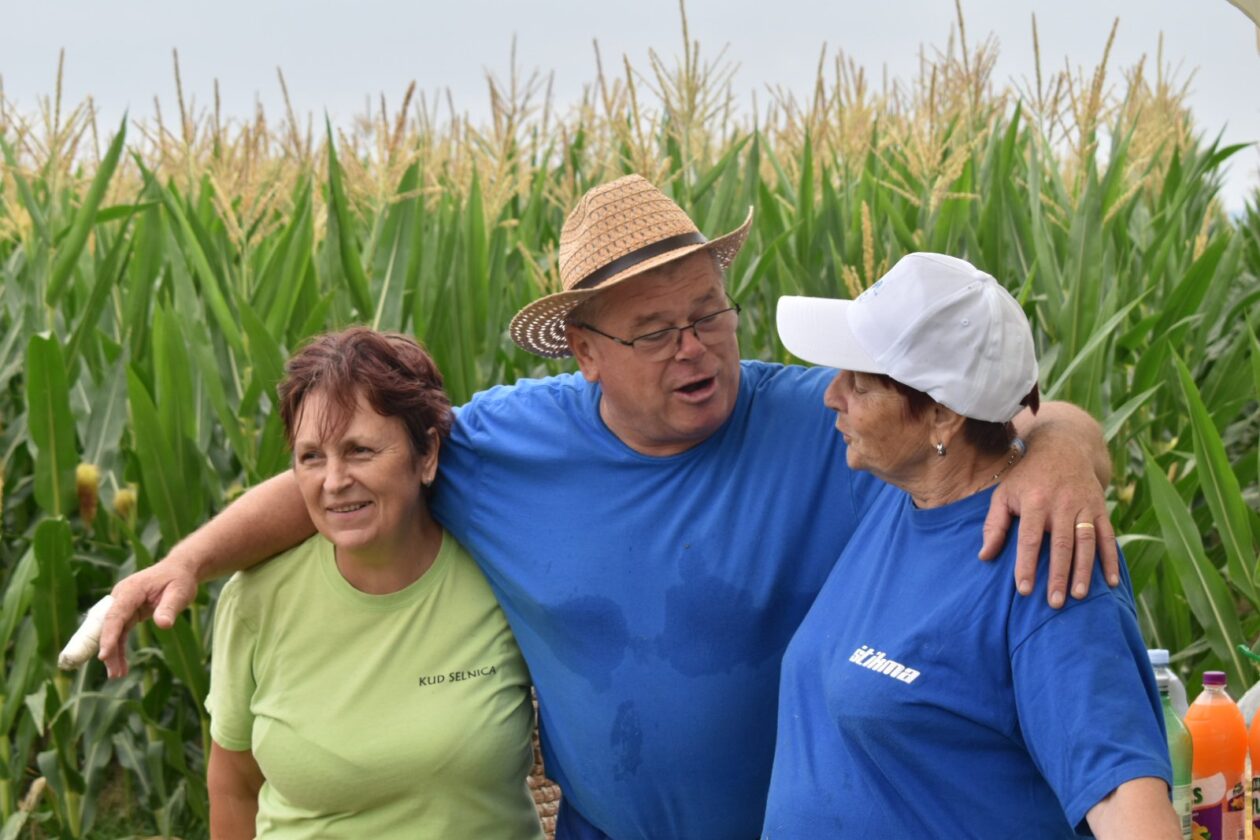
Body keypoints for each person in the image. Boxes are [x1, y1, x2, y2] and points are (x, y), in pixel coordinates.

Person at [95, 176, 1119, 839]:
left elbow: (989, 412)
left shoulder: (830, 419)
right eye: (655, 331)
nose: (695, 348)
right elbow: (347, 471)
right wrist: (186, 562)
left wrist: (1063, 451)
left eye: (709, 314)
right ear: (584, 352)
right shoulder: (505, 446)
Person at [763, 253, 1177, 838]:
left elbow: (1132, 813)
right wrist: (1060, 442)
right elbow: (1053, 423)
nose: (832, 395)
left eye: (859, 382)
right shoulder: (896, 496)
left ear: (941, 415)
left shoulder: (1042, 564)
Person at [206, 328, 543, 839]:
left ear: (426, 455)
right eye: (311, 456)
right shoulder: (256, 597)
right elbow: (233, 785)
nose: (334, 481)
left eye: (360, 450)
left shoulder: (500, 574)